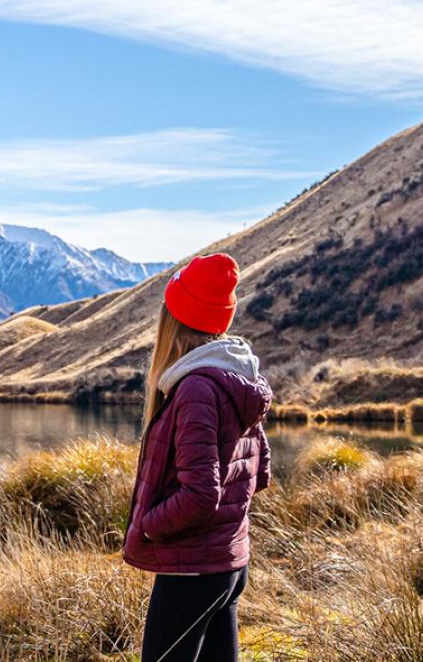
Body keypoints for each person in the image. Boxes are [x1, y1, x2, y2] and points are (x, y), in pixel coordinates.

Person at [123, 253, 272, 662]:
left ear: (176, 321)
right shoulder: (238, 378)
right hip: (228, 561)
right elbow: (257, 472)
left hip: (192, 570)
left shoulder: (196, 390)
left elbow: (201, 494)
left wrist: (150, 524)